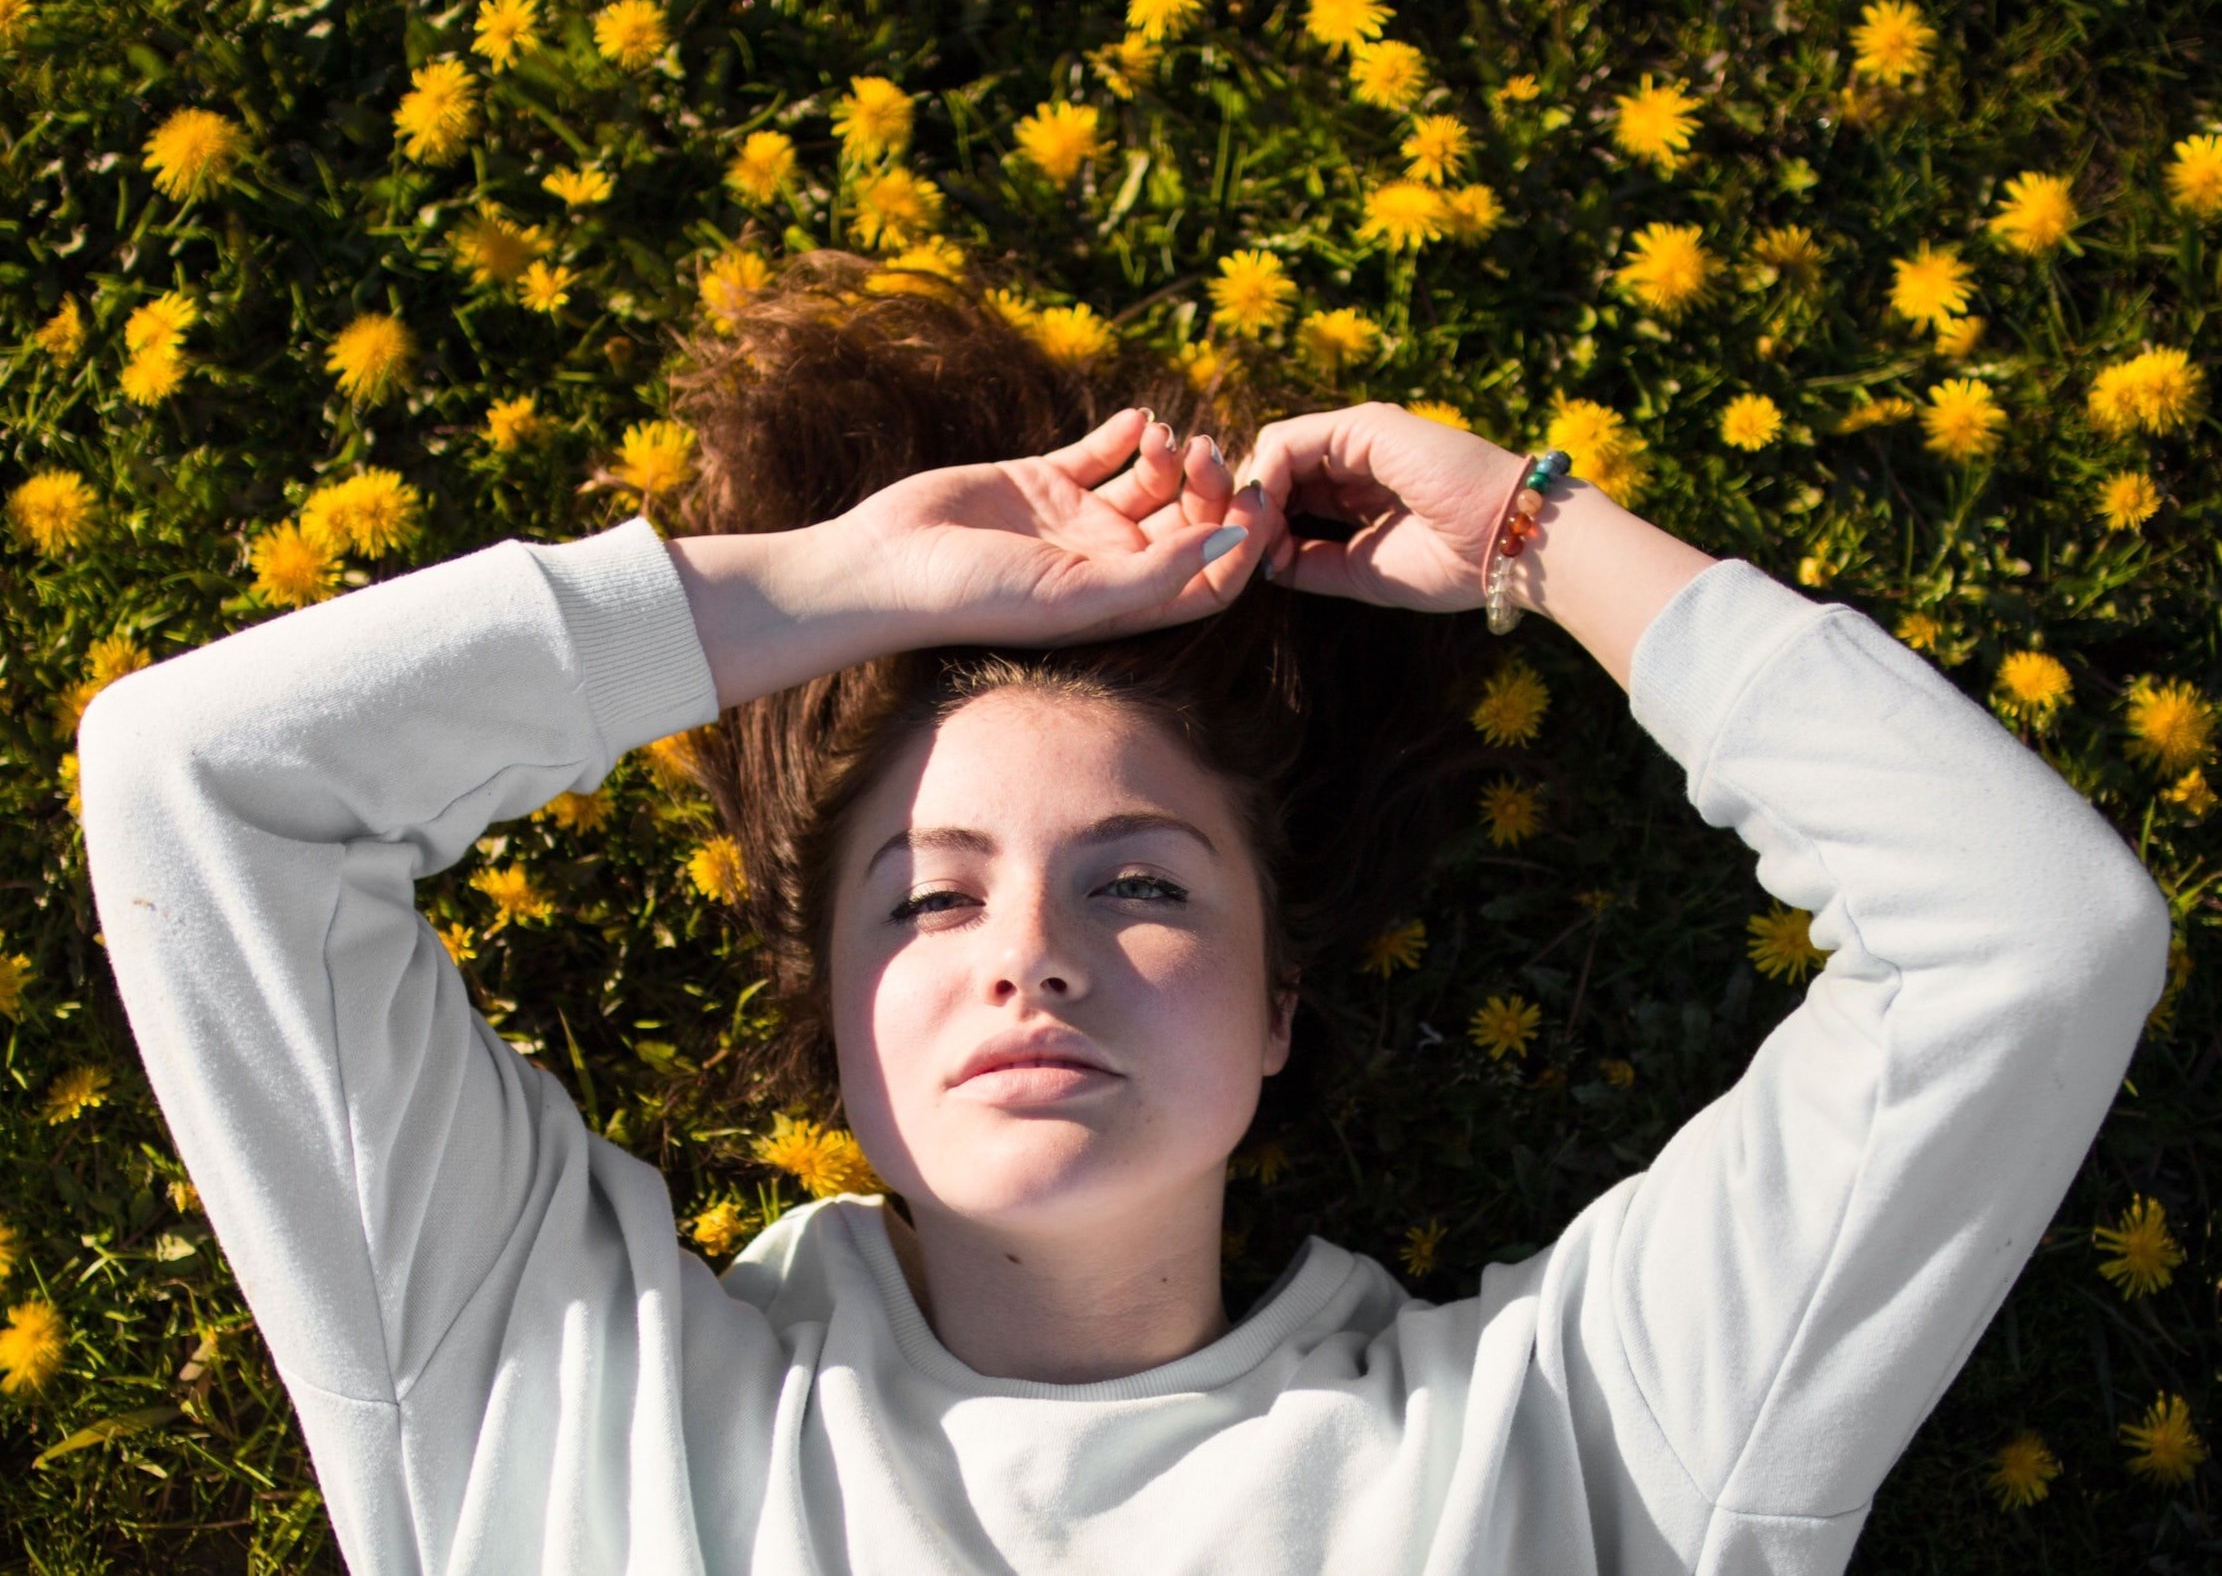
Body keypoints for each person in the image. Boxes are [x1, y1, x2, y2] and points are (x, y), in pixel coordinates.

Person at [78, 252, 2172, 1575]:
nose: (1030, 955)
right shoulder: (550, 1383)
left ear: (1277, 1004)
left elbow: (2029, 938)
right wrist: (848, 582)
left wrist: (1543, 530)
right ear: (828, 1013)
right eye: (925, 898)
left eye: (1142, 883)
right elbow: (207, 787)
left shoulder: (1580, 1439)